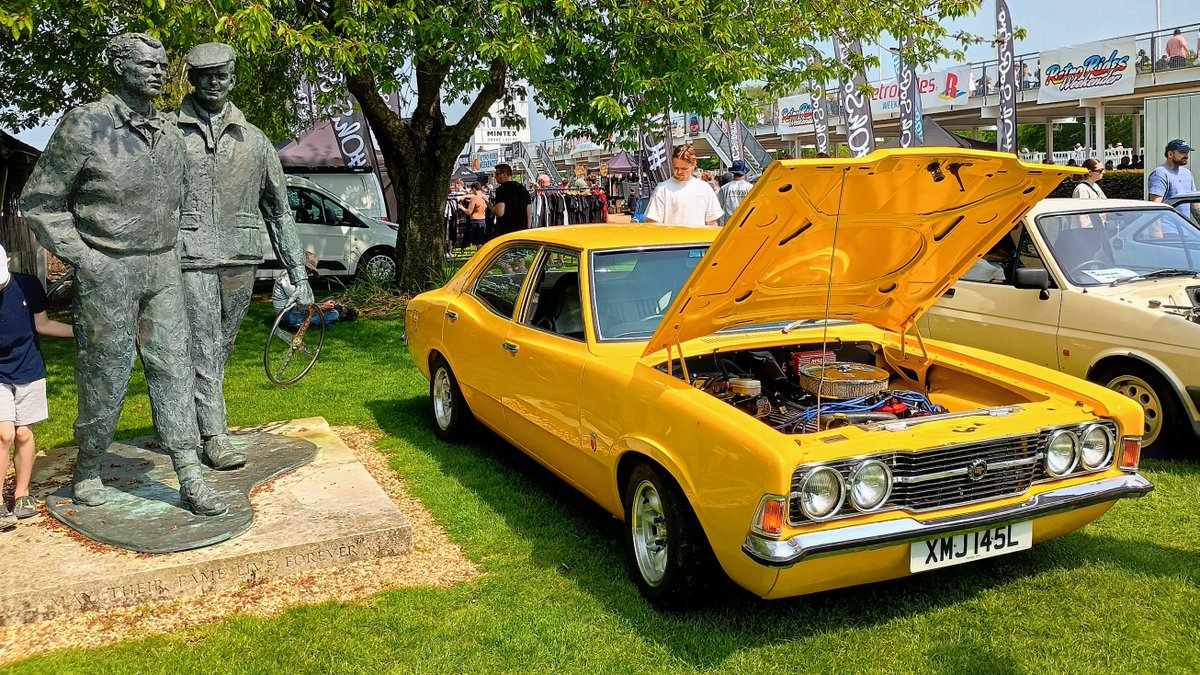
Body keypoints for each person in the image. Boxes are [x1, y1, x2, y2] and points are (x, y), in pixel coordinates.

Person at [20, 33, 224, 514]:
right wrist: (86, 258)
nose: (158, 71)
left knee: (174, 366)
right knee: (105, 371)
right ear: (117, 66)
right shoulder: (85, 124)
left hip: (163, 266)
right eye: (147, 64)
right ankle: (89, 465)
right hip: (107, 267)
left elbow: (181, 204)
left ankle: (189, 472)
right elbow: (40, 203)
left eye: (163, 64)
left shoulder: (171, 132)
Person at [173, 43, 311, 470]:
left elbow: (279, 210)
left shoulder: (255, 140)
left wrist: (297, 273)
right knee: (202, 344)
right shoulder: (168, 133)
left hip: (240, 256)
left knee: (221, 347)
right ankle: (214, 436)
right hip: (190, 256)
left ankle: (191, 424)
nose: (215, 82)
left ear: (233, 79)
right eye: (206, 75)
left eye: (223, 75)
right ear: (193, 79)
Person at [0, 246, 73, 528]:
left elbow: (42, 325)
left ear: (8, 262)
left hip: (28, 368)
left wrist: (80, 331)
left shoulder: (28, 285)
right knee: (3, 433)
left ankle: (22, 494)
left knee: (23, 432)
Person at [644, 145, 722, 226]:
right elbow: (652, 223)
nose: (679, 172)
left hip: (699, 238)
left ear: (693, 165)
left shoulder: (705, 189)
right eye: (675, 168)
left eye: (684, 169)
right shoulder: (662, 189)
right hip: (671, 238)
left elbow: (712, 223)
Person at [272, 251, 354, 329]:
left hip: (298, 312)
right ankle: (303, 325)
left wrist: (323, 306)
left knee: (333, 313)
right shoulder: (287, 276)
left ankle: (306, 324)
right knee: (332, 314)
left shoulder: (300, 277)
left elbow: (307, 302)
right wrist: (322, 307)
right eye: (308, 268)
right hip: (286, 315)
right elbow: (301, 302)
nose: (310, 272)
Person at [1148, 139, 1196, 218]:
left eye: (1187, 152)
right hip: (1167, 228)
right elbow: (1155, 207)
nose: (1186, 155)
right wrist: (1157, 230)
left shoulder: (1187, 173)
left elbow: (1194, 204)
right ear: (1170, 154)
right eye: (1182, 152)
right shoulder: (1160, 174)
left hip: (1184, 227)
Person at [492, 163, 531, 235]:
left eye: (497, 174)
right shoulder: (523, 188)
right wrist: (528, 227)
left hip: (506, 230)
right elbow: (529, 210)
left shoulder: (501, 189)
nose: (495, 177)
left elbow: (499, 212)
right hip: (522, 229)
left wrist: (492, 208)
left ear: (503, 174)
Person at [718, 160, 753, 227]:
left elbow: (720, 206)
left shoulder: (725, 188)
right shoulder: (750, 187)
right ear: (744, 172)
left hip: (729, 222)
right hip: (745, 220)